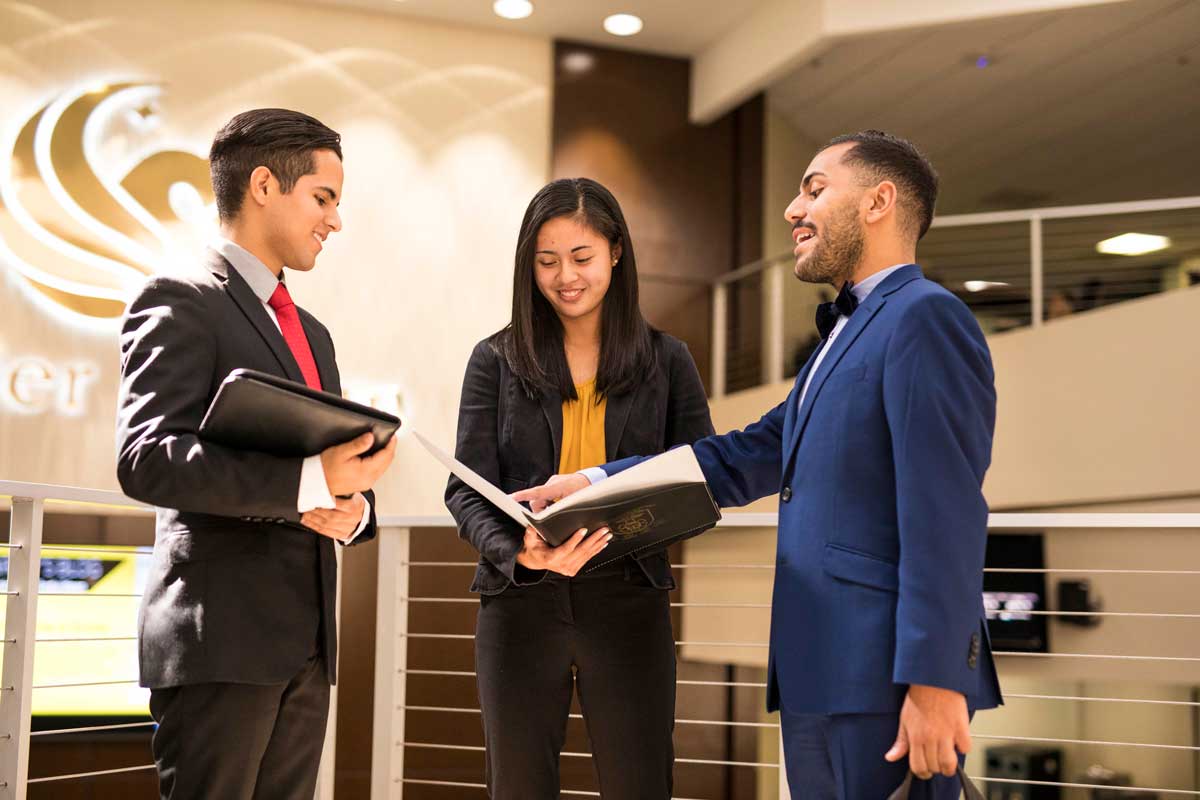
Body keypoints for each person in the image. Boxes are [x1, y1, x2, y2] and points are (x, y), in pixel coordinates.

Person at [516, 131, 1003, 798]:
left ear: (879, 201)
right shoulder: (843, 337)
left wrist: (939, 680)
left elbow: (946, 511)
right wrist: (597, 482)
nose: (791, 209)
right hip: (818, 673)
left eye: (814, 188)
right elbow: (742, 454)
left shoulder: (925, 318)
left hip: (882, 681)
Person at [116, 108, 396, 800]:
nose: (334, 221)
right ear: (265, 185)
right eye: (323, 199)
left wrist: (353, 509)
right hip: (221, 642)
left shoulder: (315, 335)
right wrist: (307, 482)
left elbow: (325, 468)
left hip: (305, 645)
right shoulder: (179, 300)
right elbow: (146, 458)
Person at [445, 177, 714, 799]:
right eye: (546, 261)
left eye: (582, 257)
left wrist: (627, 521)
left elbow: (701, 480)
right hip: (521, 600)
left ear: (616, 252)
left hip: (628, 599)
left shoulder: (667, 361)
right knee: (517, 786)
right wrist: (520, 551)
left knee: (639, 782)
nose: (565, 276)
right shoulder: (495, 360)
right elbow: (464, 490)